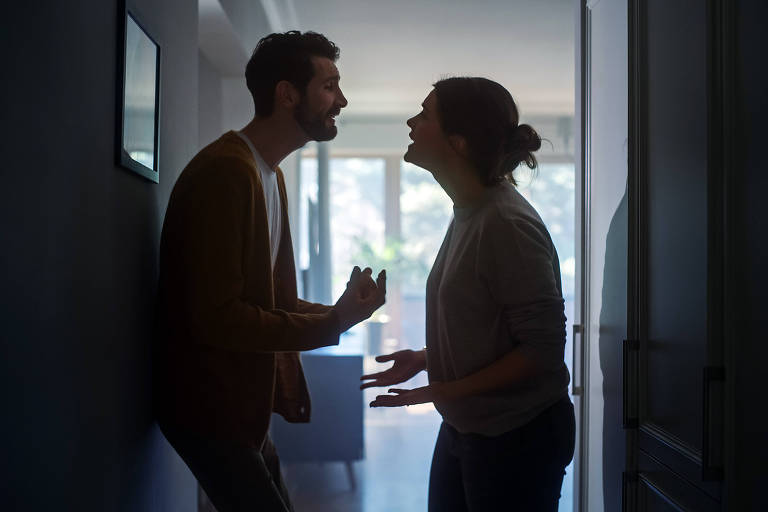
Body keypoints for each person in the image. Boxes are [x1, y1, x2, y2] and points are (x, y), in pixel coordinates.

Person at [155, 31, 385, 512]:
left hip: (241, 410)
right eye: (330, 86)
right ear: (287, 94)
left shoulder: (269, 174)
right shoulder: (226, 172)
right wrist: (335, 321)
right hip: (211, 409)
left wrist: (343, 312)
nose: (341, 100)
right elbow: (220, 318)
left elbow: (269, 303)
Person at [361, 77, 574, 511]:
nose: (411, 122)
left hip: (517, 435)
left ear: (457, 143)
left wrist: (441, 390)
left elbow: (542, 351)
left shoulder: (506, 224)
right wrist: (427, 359)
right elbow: (488, 324)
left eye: (424, 114)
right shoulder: (470, 212)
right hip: (470, 425)